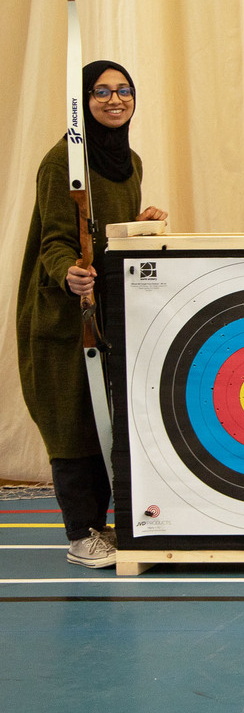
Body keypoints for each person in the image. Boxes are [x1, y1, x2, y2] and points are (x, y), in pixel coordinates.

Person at [17, 60, 167, 568]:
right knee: (73, 421)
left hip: (108, 316)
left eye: (124, 90)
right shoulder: (61, 162)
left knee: (111, 420)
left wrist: (137, 226)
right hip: (64, 319)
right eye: (100, 92)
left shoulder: (131, 161)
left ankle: (106, 523)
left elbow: (102, 231)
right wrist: (69, 275)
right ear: (82, 102)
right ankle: (81, 534)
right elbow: (56, 240)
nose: (114, 100)